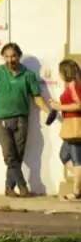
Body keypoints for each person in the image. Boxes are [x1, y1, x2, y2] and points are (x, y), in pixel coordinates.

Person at [0, 42, 50, 197]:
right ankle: (23, 186)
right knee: (9, 155)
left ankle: (9, 188)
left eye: (13, 56)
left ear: (18, 56)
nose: (10, 59)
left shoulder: (28, 75)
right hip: (1, 120)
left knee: (17, 156)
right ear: (3, 57)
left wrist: (49, 111)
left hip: (21, 120)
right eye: (6, 56)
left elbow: (37, 98)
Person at [50, 59, 81, 200]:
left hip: (75, 125)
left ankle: (76, 192)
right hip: (69, 125)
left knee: (76, 160)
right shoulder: (70, 85)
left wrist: (59, 107)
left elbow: (79, 105)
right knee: (64, 155)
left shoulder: (74, 85)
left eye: (60, 72)